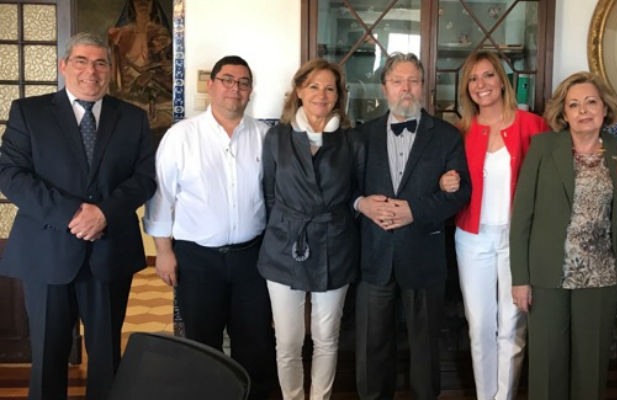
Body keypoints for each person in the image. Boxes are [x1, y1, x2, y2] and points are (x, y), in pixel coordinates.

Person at [0, 32, 156, 400]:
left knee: (106, 357)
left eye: (101, 63)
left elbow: (145, 177)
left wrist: (103, 213)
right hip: (46, 250)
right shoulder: (29, 112)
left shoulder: (132, 118)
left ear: (110, 70)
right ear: (64, 65)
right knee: (47, 355)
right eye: (81, 61)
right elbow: (10, 174)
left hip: (109, 251)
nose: (91, 71)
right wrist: (73, 214)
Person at [143, 55, 275, 399]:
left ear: (250, 91)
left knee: (256, 341)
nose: (235, 88)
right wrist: (163, 252)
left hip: (252, 259)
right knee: (203, 344)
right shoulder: (181, 136)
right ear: (211, 85)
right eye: (227, 80)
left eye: (243, 82)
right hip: (197, 259)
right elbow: (161, 196)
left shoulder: (265, 136)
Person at [354, 52, 471, 400]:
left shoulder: (447, 135)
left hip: (424, 254)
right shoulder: (361, 135)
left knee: (425, 348)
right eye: (397, 81)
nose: (406, 88)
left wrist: (414, 211)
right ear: (384, 88)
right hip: (375, 255)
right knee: (372, 347)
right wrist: (361, 204)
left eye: (413, 81)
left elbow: (460, 192)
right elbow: (345, 189)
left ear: (423, 87)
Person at [510, 71, 617, 400]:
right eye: (574, 105)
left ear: (604, 108)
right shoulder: (543, 147)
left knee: (591, 368)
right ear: (564, 113)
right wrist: (520, 278)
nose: (583, 111)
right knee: (547, 366)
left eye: (591, 102)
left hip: (601, 275)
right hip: (548, 274)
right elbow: (522, 216)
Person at [445, 50, 548, 400]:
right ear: (466, 88)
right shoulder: (461, 131)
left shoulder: (532, 125)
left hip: (516, 240)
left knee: (512, 326)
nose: (481, 84)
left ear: (502, 81)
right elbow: (444, 178)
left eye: (488, 75)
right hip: (472, 238)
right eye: (473, 78)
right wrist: (444, 181)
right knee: (479, 327)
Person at [258, 59, 363, 400]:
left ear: (339, 96)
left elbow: (357, 194)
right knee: (288, 340)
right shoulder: (278, 136)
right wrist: (286, 227)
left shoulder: (351, 141)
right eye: (314, 86)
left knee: (326, 336)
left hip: (336, 244)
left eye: (330, 88)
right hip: (284, 244)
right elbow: (270, 193)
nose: (322, 94)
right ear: (299, 91)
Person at [108, 0, 173, 140]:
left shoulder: (161, 33)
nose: (143, 3)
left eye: (147, 1)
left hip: (157, 90)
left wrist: (152, 74)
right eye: (138, 1)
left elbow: (167, 65)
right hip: (128, 93)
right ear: (132, 4)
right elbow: (116, 68)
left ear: (153, 4)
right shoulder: (121, 34)